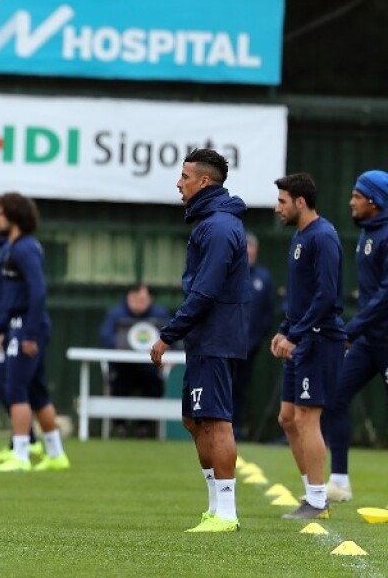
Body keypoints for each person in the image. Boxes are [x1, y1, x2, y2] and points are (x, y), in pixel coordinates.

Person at [150, 148, 250, 533]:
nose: (179, 183)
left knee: (216, 421)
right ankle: (215, 508)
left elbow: (205, 290)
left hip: (216, 337)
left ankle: (226, 512)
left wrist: (168, 335)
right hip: (204, 338)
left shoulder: (220, 227)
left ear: (204, 181)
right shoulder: (210, 222)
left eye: (185, 176)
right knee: (194, 420)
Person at [272, 172, 345, 520]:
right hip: (302, 335)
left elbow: (326, 295)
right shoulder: (300, 236)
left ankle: (318, 501)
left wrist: (295, 335)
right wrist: (284, 330)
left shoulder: (324, 236)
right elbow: (301, 296)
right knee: (288, 418)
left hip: (320, 339)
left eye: (282, 201)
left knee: (306, 417)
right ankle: (311, 493)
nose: (277, 208)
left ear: (301, 202)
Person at [0, 192, 70, 472]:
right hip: (16, 325)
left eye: (0, 211)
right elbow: (13, 297)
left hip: (27, 327)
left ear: (13, 216)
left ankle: (20, 455)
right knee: (37, 393)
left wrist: (31, 334)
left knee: (16, 388)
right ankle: (56, 454)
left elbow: (38, 290)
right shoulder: (12, 247)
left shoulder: (25, 248)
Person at [323, 172, 388, 503]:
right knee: (334, 396)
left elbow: (385, 296)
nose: (351, 201)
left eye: (356, 196)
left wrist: (351, 329)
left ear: (374, 201)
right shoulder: (367, 234)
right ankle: (339, 481)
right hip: (368, 340)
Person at [99, 283, 171, 438]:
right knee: (118, 383)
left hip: (150, 367)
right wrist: (123, 345)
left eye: (143, 299)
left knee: (154, 383)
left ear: (150, 299)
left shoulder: (160, 314)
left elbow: (172, 338)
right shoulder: (116, 314)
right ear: (128, 298)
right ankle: (119, 426)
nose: (139, 303)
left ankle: (144, 427)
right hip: (122, 367)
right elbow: (106, 337)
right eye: (135, 299)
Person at [233, 233, 274, 440]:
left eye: (252, 248)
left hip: (251, 346)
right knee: (225, 386)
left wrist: (255, 340)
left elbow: (268, 313)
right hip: (227, 344)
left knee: (242, 387)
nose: (248, 252)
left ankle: (238, 427)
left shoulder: (264, 278)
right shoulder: (229, 273)